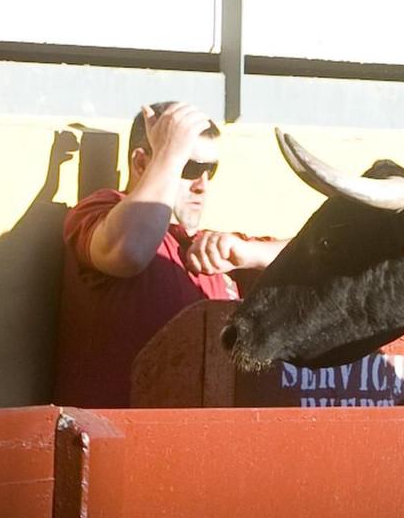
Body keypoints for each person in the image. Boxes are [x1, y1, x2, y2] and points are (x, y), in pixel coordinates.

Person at [53, 101, 287, 407]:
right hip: (121, 442)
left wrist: (250, 252)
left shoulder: (212, 247)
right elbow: (128, 251)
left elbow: (318, 264)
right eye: (189, 168)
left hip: (200, 442)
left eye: (210, 170)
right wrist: (168, 155)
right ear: (141, 163)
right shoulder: (103, 212)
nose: (202, 186)